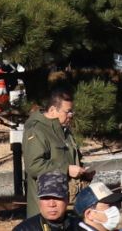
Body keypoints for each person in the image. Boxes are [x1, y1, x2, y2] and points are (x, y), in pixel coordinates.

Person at [22, 89, 90, 217]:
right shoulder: (36, 130)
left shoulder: (64, 131)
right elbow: (34, 166)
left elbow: (70, 159)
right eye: (67, 111)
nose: (71, 115)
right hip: (46, 211)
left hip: (68, 208)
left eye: (72, 111)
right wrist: (66, 169)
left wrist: (83, 175)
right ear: (53, 110)